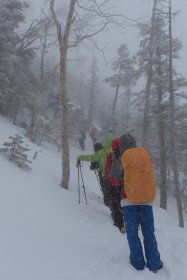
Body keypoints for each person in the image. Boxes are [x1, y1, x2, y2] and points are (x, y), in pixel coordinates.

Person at [115, 134, 163, 272]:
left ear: (122, 146)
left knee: (132, 233)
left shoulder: (122, 158)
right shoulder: (144, 153)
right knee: (149, 232)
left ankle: (138, 263)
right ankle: (154, 263)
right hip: (146, 199)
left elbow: (113, 178)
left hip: (128, 201)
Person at [77, 137, 112, 207]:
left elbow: (90, 157)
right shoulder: (115, 151)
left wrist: (80, 157)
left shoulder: (100, 153)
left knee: (105, 190)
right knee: (113, 190)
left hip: (104, 175)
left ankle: (108, 203)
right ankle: (114, 203)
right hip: (115, 176)